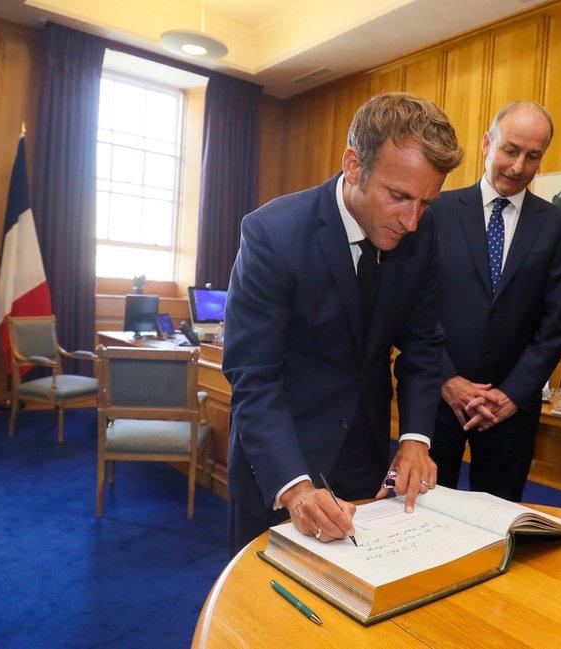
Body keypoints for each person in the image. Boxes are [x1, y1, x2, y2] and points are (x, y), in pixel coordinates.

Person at [222, 92, 462, 555]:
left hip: (366, 451)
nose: (412, 222)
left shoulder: (422, 232)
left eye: (426, 203)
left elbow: (422, 345)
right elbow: (254, 377)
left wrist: (414, 439)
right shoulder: (272, 234)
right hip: (280, 453)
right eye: (399, 197)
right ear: (354, 165)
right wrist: (294, 487)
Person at [429, 100, 561, 501]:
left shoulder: (558, 227)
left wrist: (512, 394)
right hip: (437, 398)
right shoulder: (435, 213)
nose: (518, 166)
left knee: (498, 521)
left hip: (509, 408)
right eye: (510, 150)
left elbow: (555, 324)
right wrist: (448, 379)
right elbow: (414, 309)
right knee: (421, 513)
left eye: (533, 156)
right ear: (486, 143)